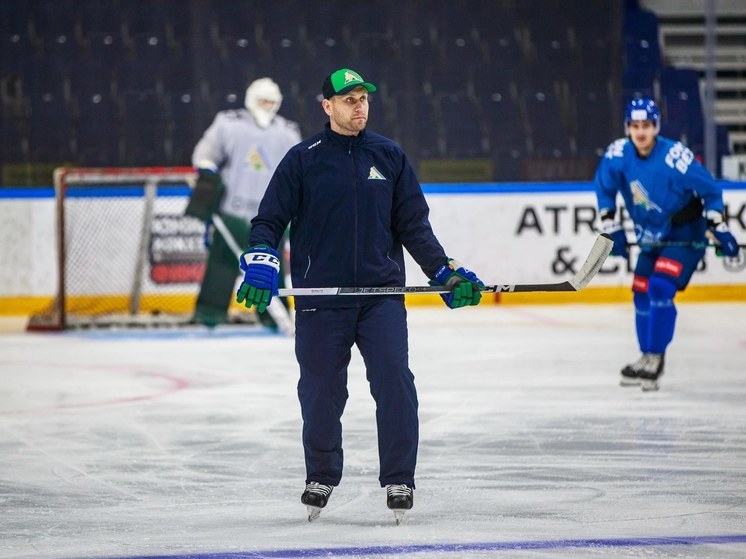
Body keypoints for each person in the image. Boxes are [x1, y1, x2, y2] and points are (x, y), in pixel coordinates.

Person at [234, 68, 485, 522]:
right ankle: (322, 475)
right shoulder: (302, 158)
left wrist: (443, 272)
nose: (359, 106)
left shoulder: (389, 156)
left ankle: (399, 479)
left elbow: (414, 227)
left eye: (363, 98)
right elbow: (268, 221)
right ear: (326, 106)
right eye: (348, 100)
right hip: (319, 300)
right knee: (320, 392)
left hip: (380, 296)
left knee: (394, 382)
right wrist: (259, 257)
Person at [594, 98, 740, 392]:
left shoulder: (676, 157)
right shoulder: (617, 155)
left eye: (646, 125)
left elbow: (711, 191)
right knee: (640, 293)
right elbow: (604, 189)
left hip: (685, 235)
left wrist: (718, 225)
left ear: (656, 127)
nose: (640, 132)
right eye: (634, 126)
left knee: (660, 287)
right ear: (627, 128)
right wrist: (611, 227)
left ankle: (657, 357)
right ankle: (646, 354)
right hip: (650, 236)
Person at [185, 77, 301, 328]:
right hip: (232, 213)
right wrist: (207, 170)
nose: (267, 106)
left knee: (271, 268)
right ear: (251, 99)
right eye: (262, 100)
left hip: (271, 219)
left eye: (271, 102)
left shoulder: (287, 132)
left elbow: (298, 173)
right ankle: (208, 316)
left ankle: (273, 318)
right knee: (222, 266)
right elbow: (205, 154)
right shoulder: (229, 124)